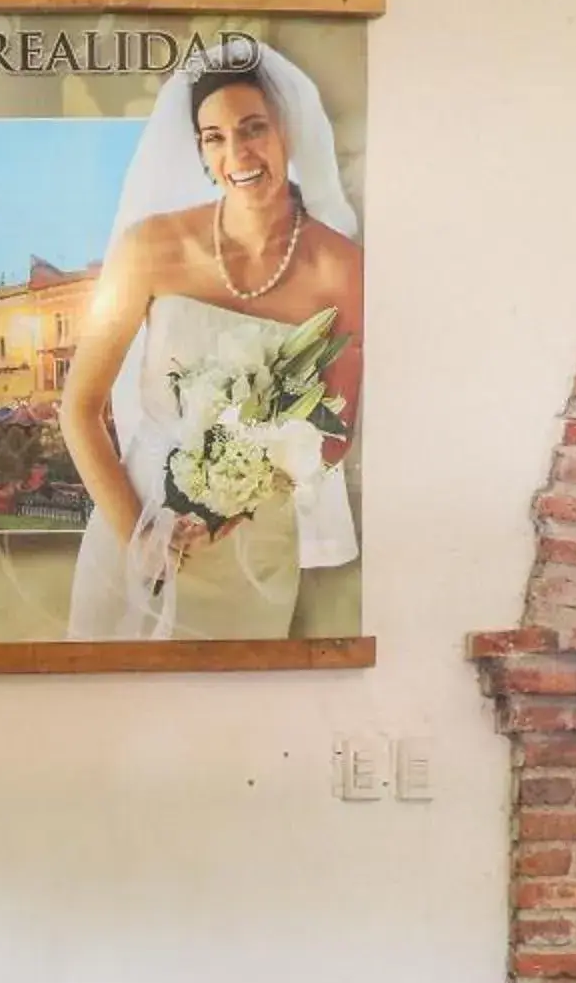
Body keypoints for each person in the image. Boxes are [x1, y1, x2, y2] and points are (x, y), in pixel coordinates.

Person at [61, 41, 364, 640]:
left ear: (287, 132)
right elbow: (79, 408)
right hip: (137, 519)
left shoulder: (342, 269)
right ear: (199, 149)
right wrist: (140, 538)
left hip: (253, 555)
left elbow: (335, 434)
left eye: (254, 129)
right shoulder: (149, 247)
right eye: (215, 137)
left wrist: (239, 497)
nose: (238, 154)